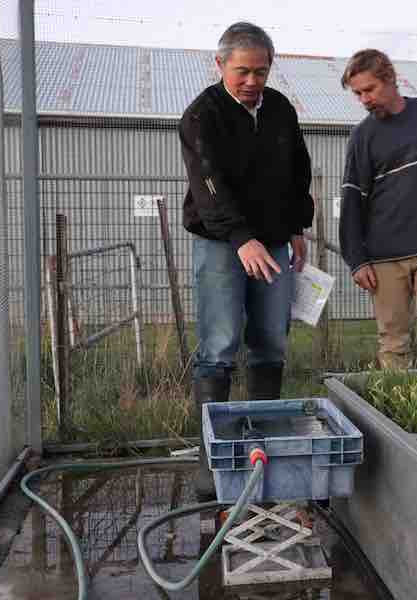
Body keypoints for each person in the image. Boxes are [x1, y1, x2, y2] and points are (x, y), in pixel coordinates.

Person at [179, 22, 314, 499]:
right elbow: (208, 184)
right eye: (242, 71)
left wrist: (298, 225)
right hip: (221, 242)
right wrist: (241, 238)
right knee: (219, 343)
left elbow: (299, 168)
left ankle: (263, 446)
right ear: (220, 66)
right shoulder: (202, 116)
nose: (253, 82)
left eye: (261, 71)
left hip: (274, 241)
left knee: (271, 341)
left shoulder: (279, 110)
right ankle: (210, 456)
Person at [339, 49, 417, 369]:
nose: (364, 99)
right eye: (358, 94)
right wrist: (356, 259)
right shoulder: (361, 137)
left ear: (391, 79)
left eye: (369, 90)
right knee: (393, 341)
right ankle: (394, 410)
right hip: (383, 256)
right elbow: (352, 201)